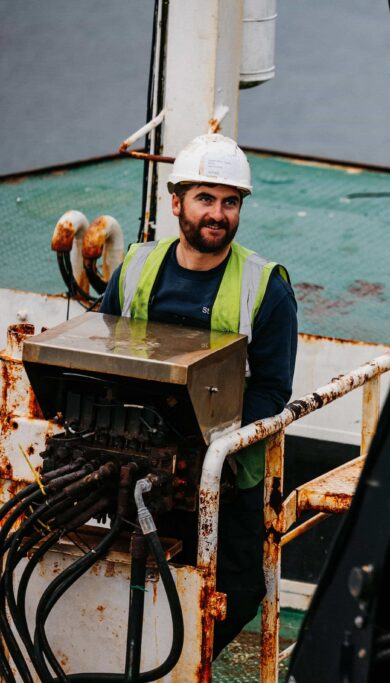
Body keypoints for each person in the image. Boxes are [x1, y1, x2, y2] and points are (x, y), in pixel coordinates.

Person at [99, 133, 298, 657]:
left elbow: (274, 388)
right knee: (123, 575)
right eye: (205, 199)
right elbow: (100, 351)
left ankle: (186, 663)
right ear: (176, 203)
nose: (218, 213)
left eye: (230, 202)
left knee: (237, 589)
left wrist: (212, 451)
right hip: (138, 462)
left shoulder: (265, 286)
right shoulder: (138, 267)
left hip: (221, 475)